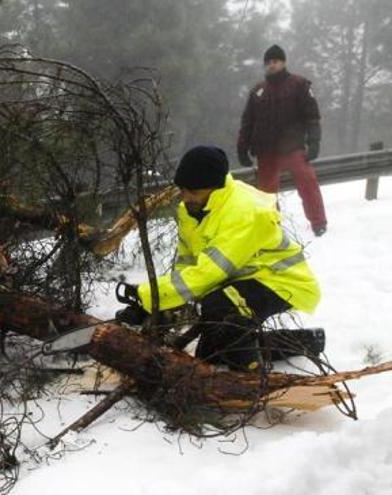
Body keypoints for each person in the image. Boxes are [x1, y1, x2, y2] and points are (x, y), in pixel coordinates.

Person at [116, 145, 323, 371]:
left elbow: (210, 272)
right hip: (242, 277)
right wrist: (164, 303)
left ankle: (252, 375)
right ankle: (306, 340)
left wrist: (149, 294)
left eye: (193, 192)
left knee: (220, 304)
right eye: (183, 191)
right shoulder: (192, 209)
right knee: (213, 354)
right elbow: (188, 264)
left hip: (280, 281)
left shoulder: (243, 212)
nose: (185, 198)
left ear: (215, 188)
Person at [237, 44, 328, 237]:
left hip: (293, 147)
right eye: (268, 62)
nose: (271, 65)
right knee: (266, 195)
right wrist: (242, 148)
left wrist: (314, 142)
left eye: (275, 61)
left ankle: (318, 222)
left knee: (308, 182)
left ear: (283, 62)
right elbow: (247, 122)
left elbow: (312, 117)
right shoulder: (258, 91)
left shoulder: (299, 85)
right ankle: (271, 228)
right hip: (266, 151)